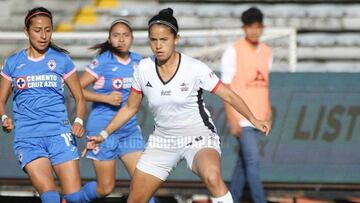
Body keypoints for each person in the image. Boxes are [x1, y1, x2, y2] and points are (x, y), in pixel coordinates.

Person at [85, 8, 271, 203]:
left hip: (198, 136)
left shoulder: (194, 67)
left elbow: (229, 95)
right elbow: (130, 108)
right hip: (163, 140)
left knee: (212, 177)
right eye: (153, 40)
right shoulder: (143, 69)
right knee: (136, 199)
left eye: (164, 39)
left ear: (176, 39)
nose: (158, 45)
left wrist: (253, 119)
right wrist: (103, 135)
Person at [0, 7, 98, 203]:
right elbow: (1, 100)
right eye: (37, 30)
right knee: (50, 196)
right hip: (28, 138)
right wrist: (4, 118)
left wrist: (78, 120)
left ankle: (100, 189)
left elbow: (79, 97)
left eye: (48, 29)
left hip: (59, 134)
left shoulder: (61, 60)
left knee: (74, 198)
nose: (43, 35)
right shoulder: (13, 63)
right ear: (26, 31)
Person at [79, 19, 155, 203]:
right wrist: (105, 98)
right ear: (110, 38)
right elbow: (77, 89)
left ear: (132, 38)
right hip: (101, 130)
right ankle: (72, 199)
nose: (121, 40)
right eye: (116, 35)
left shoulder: (139, 61)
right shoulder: (103, 61)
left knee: (144, 182)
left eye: (125, 35)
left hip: (128, 129)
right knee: (105, 188)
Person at [220, 7, 273, 203]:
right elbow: (225, 89)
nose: (254, 31)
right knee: (252, 161)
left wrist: (268, 113)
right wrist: (231, 118)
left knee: (243, 164)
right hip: (242, 118)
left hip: (259, 118)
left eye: (257, 27)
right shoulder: (233, 51)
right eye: (250, 27)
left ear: (262, 27)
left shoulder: (267, 52)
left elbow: (265, 85)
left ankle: (230, 200)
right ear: (244, 28)